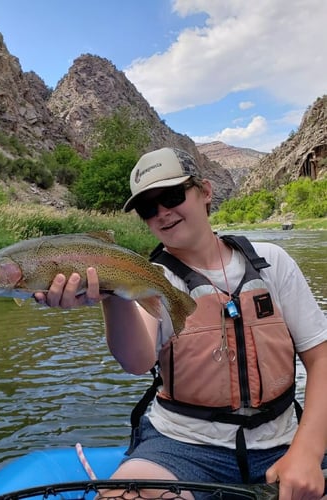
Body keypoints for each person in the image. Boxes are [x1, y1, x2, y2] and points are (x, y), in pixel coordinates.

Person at [34, 147, 327, 499]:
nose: (162, 213)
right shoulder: (148, 276)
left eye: (172, 196)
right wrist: (113, 296)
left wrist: (307, 452)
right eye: (148, 208)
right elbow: (137, 361)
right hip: (182, 445)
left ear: (204, 191)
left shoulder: (272, 262)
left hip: (282, 438)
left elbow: (320, 358)